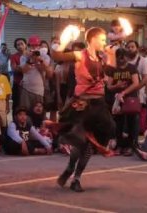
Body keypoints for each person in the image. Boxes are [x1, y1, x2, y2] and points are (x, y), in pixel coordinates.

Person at [52, 27, 115, 192]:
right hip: (82, 105)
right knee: (80, 142)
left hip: (99, 106)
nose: (104, 42)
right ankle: (70, 167)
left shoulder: (102, 57)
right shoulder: (80, 54)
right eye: (102, 39)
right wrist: (65, 39)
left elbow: (110, 73)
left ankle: (76, 178)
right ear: (92, 39)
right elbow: (56, 56)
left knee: (91, 145)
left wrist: (112, 55)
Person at [106, 48, 140, 155]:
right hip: (117, 100)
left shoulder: (131, 68)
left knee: (131, 123)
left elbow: (136, 83)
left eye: (123, 56)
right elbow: (109, 86)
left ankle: (131, 146)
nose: (121, 58)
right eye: (119, 56)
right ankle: (119, 146)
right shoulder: (113, 69)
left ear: (127, 57)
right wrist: (117, 86)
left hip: (130, 99)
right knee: (118, 123)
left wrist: (124, 92)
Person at [20, 35, 53, 110]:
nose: (34, 48)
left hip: (39, 89)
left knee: (38, 111)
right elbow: (24, 70)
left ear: (39, 46)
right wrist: (29, 59)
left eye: (36, 45)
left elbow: (44, 69)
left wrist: (39, 59)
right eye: (32, 46)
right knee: (26, 110)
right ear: (28, 46)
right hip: (26, 88)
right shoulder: (24, 57)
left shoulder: (45, 56)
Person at [10, 38, 28, 115]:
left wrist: (20, 67)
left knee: (27, 105)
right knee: (16, 105)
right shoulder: (13, 56)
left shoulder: (29, 55)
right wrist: (26, 67)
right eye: (18, 45)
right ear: (16, 47)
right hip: (17, 84)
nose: (20, 46)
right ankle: (15, 122)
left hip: (28, 85)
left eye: (21, 44)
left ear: (25, 45)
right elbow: (14, 69)